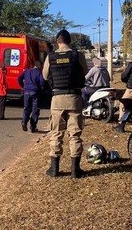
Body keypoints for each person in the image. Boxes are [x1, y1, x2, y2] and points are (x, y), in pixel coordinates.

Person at [42, 29, 88, 178]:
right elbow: (85, 72)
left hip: (57, 99)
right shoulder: (77, 55)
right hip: (74, 98)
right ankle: (75, 170)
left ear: (57, 41)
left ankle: (54, 169)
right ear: (70, 41)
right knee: (75, 134)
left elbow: (45, 76)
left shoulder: (51, 57)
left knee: (56, 133)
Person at [18, 60, 45, 133]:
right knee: (35, 110)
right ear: (40, 66)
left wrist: (23, 86)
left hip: (26, 92)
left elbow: (19, 78)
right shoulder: (39, 72)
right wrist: (42, 89)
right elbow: (42, 82)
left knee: (26, 108)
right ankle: (33, 127)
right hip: (35, 93)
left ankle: (24, 121)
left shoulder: (27, 71)